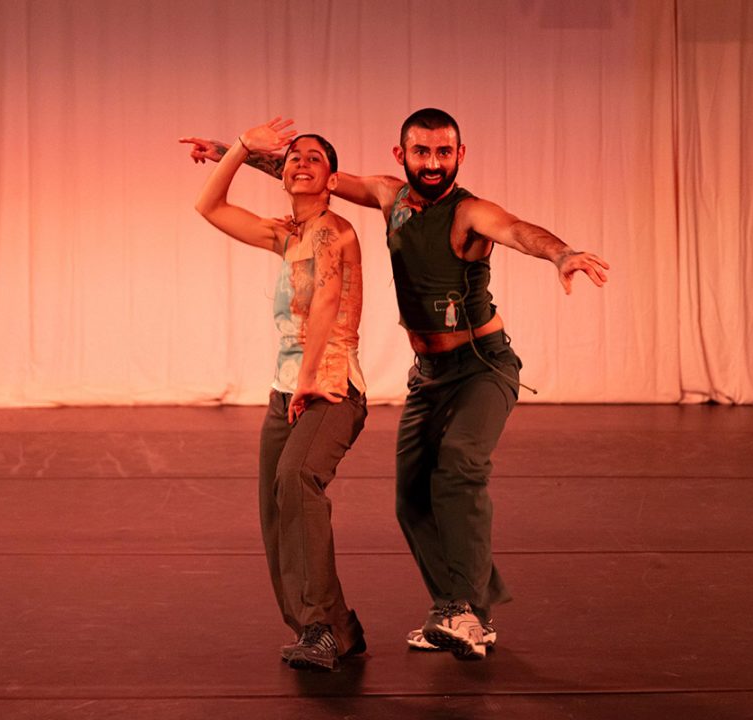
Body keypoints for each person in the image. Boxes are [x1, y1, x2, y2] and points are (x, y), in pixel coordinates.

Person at [181, 108, 608, 660]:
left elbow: (519, 231)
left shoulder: (469, 211)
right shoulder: (390, 198)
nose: (432, 163)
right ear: (400, 155)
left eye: (443, 153)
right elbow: (312, 175)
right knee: (411, 500)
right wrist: (227, 149)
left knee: (458, 465)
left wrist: (563, 253)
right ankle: (453, 607)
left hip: (483, 366)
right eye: (422, 152)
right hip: (428, 376)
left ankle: (467, 612)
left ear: (460, 156)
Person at [191, 118, 367, 671]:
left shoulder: (335, 233)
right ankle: (333, 627)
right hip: (285, 389)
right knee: (275, 506)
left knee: (297, 480)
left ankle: (320, 627)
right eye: (292, 156)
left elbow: (327, 302)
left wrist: (311, 377)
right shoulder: (286, 234)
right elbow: (209, 206)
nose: (300, 161)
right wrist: (239, 146)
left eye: (314, 157)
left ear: (331, 178)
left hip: (331, 386)